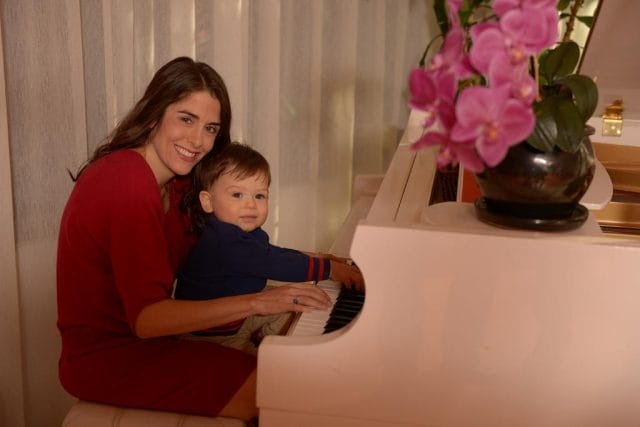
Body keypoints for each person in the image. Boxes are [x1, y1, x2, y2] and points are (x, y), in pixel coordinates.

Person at [56, 56, 336, 421]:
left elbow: (235, 244)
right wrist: (258, 303)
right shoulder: (126, 184)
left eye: (210, 128)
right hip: (108, 357)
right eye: (186, 119)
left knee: (294, 365)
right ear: (155, 112)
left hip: (152, 341)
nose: (197, 140)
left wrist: (324, 262)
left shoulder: (181, 182)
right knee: (284, 392)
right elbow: (147, 318)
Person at [174, 142, 364, 354]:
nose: (251, 205)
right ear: (208, 202)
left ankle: (263, 337)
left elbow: (271, 253)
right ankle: (264, 348)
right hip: (213, 334)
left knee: (300, 310)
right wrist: (330, 269)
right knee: (268, 371)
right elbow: (275, 262)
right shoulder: (225, 242)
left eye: (259, 196)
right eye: (237, 195)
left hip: (239, 316)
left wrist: (318, 257)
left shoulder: (235, 232)